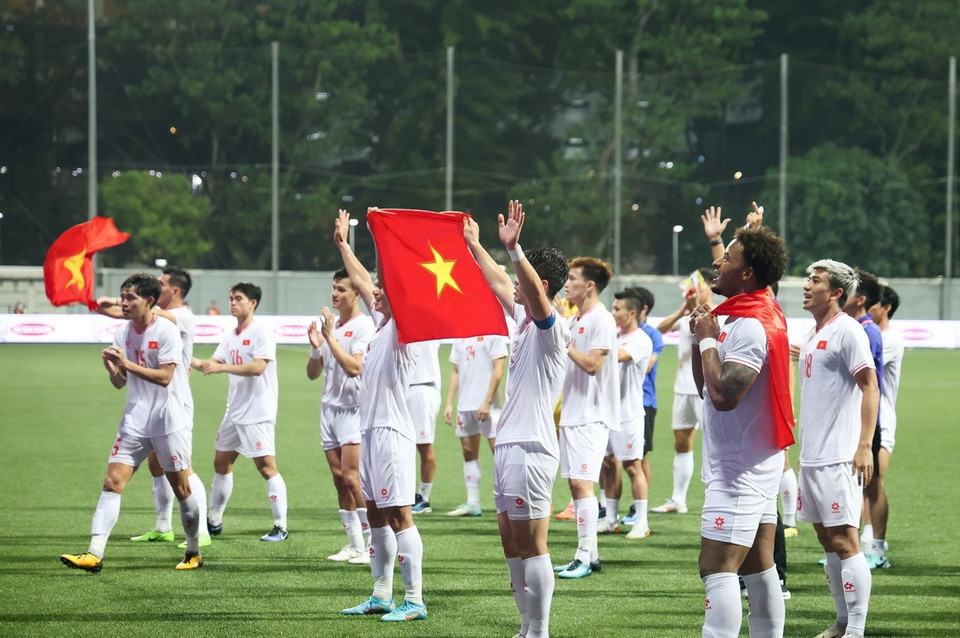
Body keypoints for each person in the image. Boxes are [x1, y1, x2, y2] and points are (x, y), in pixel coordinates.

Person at [464, 199, 569, 638]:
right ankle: (526, 626)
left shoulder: (550, 327)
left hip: (532, 448)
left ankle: (540, 631)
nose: (512, 290)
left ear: (538, 285)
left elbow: (530, 291)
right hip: (509, 445)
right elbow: (498, 281)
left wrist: (514, 249)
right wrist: (475, 245)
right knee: (511, 542)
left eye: (521, 285)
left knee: (532, 543)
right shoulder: (524, 323)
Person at [61, 273, 203, 572]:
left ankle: (193, 551)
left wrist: (126, 364)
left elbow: (165, 378)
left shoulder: (166, 331)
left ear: (149, 301)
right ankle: (94, 553)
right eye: (122, 297)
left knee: (181, 488)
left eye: (130, 298)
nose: (124, 303)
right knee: (112, 483)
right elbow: (120, 383)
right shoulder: (123, 333)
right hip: (135, 421)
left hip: (167, 420)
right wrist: (114, 370)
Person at [690, 225, 792, 637]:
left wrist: (709, 341)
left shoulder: (750, 325)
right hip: (754, 459)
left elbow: (724, 395)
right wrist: (703, 339)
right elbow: (705, 386)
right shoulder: (749, 313)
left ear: (747, 273)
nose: (717, 262)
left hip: (739, 469)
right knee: (758, 565)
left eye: (727, 258)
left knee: (716, 567)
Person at [334, 209, 427, 623]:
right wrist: (342, 244)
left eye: (384, 291)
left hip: (392, 432)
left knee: (399, 515)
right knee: (374, 514)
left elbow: (380, 282)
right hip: (370, 430)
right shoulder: (380, 326)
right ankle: (381, 594)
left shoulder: (405, 328)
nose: (375, 294)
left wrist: (380, 235)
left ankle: (416, 600)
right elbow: (362, 282)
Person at [95, 266, 211, 549]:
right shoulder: (129, 329)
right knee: (152, 467)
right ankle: (161, 527)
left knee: (184, 474)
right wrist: (114, 369)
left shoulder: (179, 316)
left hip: (174, 407)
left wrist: (110, 303)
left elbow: (150, 316)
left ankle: (201, 532)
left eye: (161, 283)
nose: (158, 287)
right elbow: (121, 379)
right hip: (139, 413)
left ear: (174, 291)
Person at [796, 260, 879, 638]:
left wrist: (864, 446)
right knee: (827, 540)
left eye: (816, 281)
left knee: (846, 540)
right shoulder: (814, 334)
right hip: (811, 456)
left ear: (836, 293)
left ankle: (857, 630)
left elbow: (870, 386)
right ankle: (843, 621)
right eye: (807, 279)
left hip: (839, 457)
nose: (806, 285)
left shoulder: (849, 332)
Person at [197, 282, 289, 542]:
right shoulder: (230, 336)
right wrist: (187, 360)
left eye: (238, 298)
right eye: (231, 298)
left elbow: (258, 367)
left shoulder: (261, 332)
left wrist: (222, 368)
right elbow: (211, 364)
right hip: (234, 412)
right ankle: (214, 520)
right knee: (221, 463)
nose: (233, 303)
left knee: (267, 467)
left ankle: (280, 525)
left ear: (253, 303)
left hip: (257, 413)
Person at [551, 255, 619, 580]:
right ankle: (590, 556)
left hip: (592, 414)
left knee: (582, 483)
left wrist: (565, 344)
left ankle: (581, 556)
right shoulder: (577, 317)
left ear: (589, 285)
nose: (567, 283)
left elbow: (593, 366)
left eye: (573, 278)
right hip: (573, 413)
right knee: (576, 485)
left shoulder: (601, 319)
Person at [306, 268, 376, 563]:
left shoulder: (363, 327)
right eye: (334, 288)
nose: (335, 294)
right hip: (329, 410)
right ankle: (354, 544)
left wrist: (329, 339)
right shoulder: (331, 329)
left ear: (357, 294)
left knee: (352, 478)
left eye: (342, 289)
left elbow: (355, 368)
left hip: (353, 410)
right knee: (338, 479)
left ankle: (372, 545)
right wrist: (315, 349)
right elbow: (312, 374)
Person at [652, 266, 714, 515]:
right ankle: (678, 500)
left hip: (706, 389)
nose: (692, 290)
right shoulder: (687, 316)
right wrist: (683, 310)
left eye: (697, 285)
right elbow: (657, 333)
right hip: (682, 388)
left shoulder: (716, 314)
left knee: (713, 444)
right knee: (681, 443)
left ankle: (714, 495)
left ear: (709, 286)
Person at [597, 289, 654, 539]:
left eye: (617, 309)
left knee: (633, 466)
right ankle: (611, 519)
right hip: (606, 412)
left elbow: (619, 357)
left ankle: (641, 522)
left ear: (632, 312)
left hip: (629, 413)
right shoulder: (614, 336)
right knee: (608, 465)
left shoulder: (640, 339)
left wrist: (594, 349)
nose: (612, 312)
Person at [443, 333, 509, 517]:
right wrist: (449, 402)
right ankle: (473, 502)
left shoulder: (493, 333)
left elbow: (499, 368)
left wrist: (487, 401)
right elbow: (456, 370)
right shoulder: (460, 334)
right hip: (465, 405)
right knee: (468, 451)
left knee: (500, 452)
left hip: (489, 406)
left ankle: (509, 499)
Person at [861, 284, 903, 570]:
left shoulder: (888, 339)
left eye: (874, 305)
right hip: (863, 417)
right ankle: (864, 541)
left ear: (885, 307)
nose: (869, 310)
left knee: (873, 483)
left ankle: (876, 546)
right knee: (860, 483)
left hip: (882, 420)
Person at [408, 342, 442, 514]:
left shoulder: (430, 321)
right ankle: (410, 494)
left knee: (424, 444)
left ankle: (424, 497)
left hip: (424, 387)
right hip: (405, 385)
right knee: (405, 445)